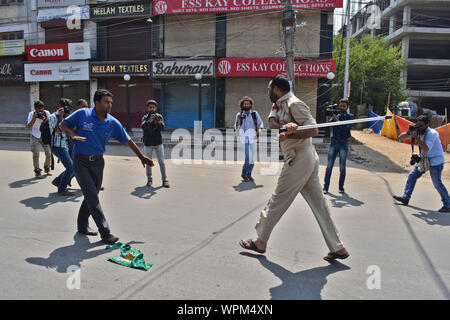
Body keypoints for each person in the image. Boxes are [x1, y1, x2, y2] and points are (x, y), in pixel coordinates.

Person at [239, 75, 349, 261]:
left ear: (276, 89)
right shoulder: (279, 104)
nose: (267, 93)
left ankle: (261, 241)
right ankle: (337, 247)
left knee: (278, 198)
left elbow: (313, 130)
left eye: (268, 89)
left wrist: (296, 131)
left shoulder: (294, 104)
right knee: (319, 204)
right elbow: (273, 123)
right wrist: (286, 128)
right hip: (302, 157)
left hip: (300, 156)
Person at [60, 89, 154, 244]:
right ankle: (105, 232)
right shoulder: (83, 114)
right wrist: (72, 135)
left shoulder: (112, 122)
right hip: (80, 161)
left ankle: (82, 225)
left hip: (98, 162)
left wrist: (141, 157)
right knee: (91, 195)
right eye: (106, 102)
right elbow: (63, 124)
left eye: (111, 102)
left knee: (92, 194)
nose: (109, 105)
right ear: (96, 102)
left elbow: (128, 140)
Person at [393, 115, 450, 212]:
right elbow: (400, 138)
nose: (419, 128)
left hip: (436, 161)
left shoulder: (432, 133)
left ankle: (448, 205)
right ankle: (405, 198)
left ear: (427, 125)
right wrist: (408, 132)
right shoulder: (417, 131)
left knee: (437, 183)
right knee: (412, 176)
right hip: (424, 160)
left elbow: (426, 148)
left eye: (421, 126)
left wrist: (416, 137)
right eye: (417, 125)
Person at [323, 98, 354, 194]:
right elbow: (328, 125)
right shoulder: (336, 116)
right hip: (334, 142)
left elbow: (346, 128)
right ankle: (325, 187)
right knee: (329, 166)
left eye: (344, 106)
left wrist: (336, 119)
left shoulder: (350, 117)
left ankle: (341, 187)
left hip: (344, 143)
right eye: (341, 105)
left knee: (342, 167)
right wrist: (328, 114)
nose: (342, 107)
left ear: (347, 107)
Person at [234, 96, 264, 182]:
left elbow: (260, 123)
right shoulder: (239, 115)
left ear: (250, 105)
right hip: (244, 138)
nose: (246, 105)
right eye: (245, 104)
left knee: (252, 158)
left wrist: (260, 129)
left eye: (248, 104)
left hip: (252, 137)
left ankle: (248, 174)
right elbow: (236, 127)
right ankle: (244, 173)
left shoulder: (254, 114)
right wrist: (238, 121)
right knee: (248, 156)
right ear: (242, 105)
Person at [141, 99, 169, 188]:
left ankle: (165, 180)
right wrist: (150, 120)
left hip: (158, 143)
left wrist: (160, 123)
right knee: (148, 162)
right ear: (147, 108)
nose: (152, 109)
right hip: (148, 143)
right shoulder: (145, 117)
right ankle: (149, 179)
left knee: (161, 162)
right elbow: (143, 127)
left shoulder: (159, 116)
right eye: (150, 107)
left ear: (156, 108)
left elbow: (163, 128)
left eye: (153, 107)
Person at [48, 98, 74, 196]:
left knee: (75, 167)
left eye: (68, 108)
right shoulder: (52, 117)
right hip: (57, 146)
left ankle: (58, 181)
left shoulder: (67, 116)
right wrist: (61, 117)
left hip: (66, 145)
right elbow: (59, 131)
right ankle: (62, 189)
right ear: (60, 107)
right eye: (65, 107)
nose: (67, 109)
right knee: (70, 167)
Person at [26, 100, 52, 178]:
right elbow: (29, 127)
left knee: (48, 153)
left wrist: (44, 119)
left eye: (42, 109)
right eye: (39, 109)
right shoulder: (31, 114)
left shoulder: (46, 113)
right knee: (36, 154)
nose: (41, 111)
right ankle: (37, 171)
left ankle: (47, 168)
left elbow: (51, 124)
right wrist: (34, 118)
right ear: (35, 109)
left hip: (44, 135)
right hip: (34, 135)